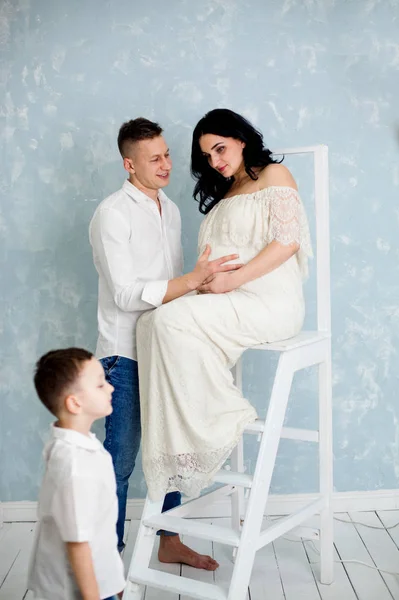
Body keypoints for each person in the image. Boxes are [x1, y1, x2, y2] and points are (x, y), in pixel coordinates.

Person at [136, 108, 313, 501]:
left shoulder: (273, 176)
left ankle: (223, 419)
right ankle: (183, 446)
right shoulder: (225, 193)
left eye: (220, 149)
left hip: (269, 301)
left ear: (241, 139)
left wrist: (233, 279)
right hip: (226, 301)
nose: (216, 162)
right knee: (149, 324)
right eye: (208, 157)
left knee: (169, 323)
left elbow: (288, 242)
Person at [89, 117, 239, 568]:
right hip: (124, 355)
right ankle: (106, 558)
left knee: (171, 450)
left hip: (167, 349)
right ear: (128, 164)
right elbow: (124, 294)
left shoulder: (170, 210)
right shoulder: (112, 213)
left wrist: (205, 286)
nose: (167, 164)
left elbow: (176, 290)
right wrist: (191, 279)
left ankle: (169, 540)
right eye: (154, 158)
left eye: (168, 154)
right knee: (119, 463)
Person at [28, 348, 125, 600]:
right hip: (80, 590)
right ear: (75, 403)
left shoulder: (80, 445)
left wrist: (113, 579)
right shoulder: (75, 464)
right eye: (100, 385)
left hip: (99, 580)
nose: (111, 389)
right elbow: (78, 544)